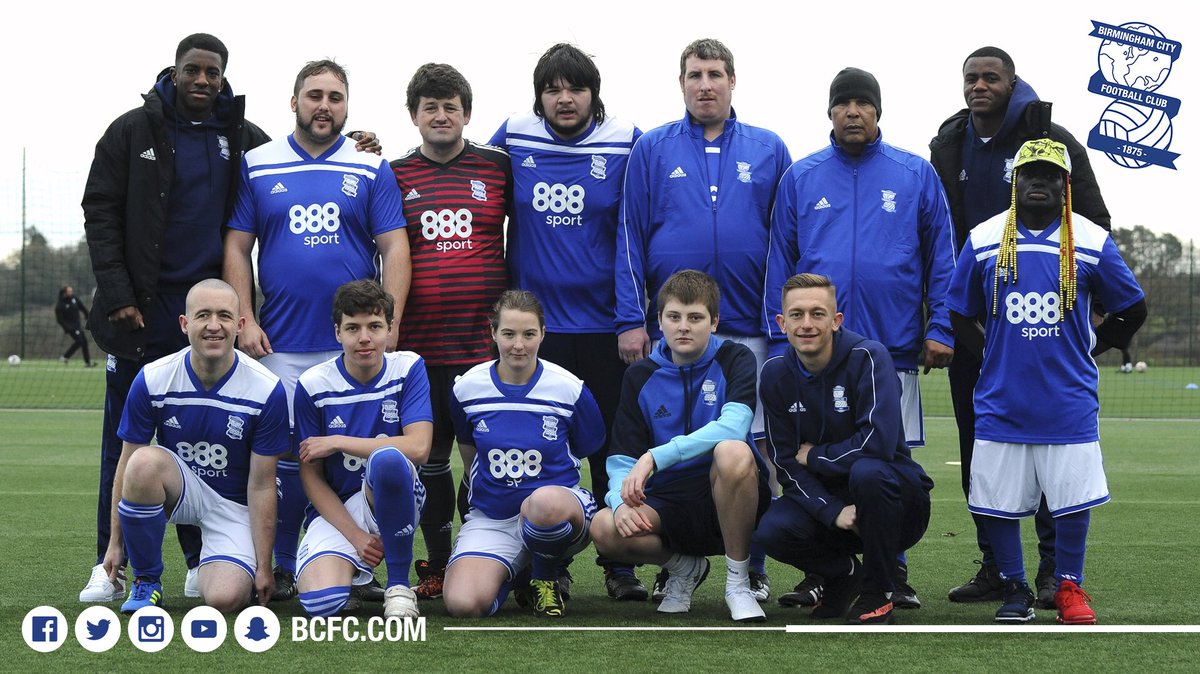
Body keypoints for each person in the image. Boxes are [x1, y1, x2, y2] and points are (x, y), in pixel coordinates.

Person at [81, 35, 379, 605]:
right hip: (143, 313)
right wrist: (119, 293)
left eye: (213, 72)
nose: (202, 80)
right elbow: (100, 210)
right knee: (127, 447)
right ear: (174, 71)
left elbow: (305, 155)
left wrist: (355, 146)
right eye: (193, 70)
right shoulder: (130, 131)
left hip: (210, 313)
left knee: (212, 442)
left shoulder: (238, 137)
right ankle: (109, 563)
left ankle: (202, 561)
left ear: (223, 77)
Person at [763, 66, 955, 609]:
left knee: (883, 465)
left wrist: (939, 325)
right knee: (806, 460)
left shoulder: (915, 173)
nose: (853, 111)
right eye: (843, 103)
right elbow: (780, 259)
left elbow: (942, 254)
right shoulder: (802, 177)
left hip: (891, 344)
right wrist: (781, 344)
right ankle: (821, 571)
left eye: (862, 103)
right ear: (829, 112)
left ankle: (890, 567)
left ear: (878, 112)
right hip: (812, 352)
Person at [928, 46, 1111, 608]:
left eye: (992, 78)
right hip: (976, 334)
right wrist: (950, 323)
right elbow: (939, 232)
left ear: (1012, 83)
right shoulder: (949, 143)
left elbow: (1094, 221)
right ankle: (997, 568)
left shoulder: (1050, 139)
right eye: (971, 78)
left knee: (1056, 455)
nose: (980, 86)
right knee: (982, 454)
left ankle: (1055, 573)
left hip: (1046, 338)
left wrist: (1087, 321)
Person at [223, 58, 408, 601]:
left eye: (334, 96)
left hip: (353, 348)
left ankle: (361, 563)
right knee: (286, 460)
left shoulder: (371, 165)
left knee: (357, 459)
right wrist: (244, 317)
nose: (324, 105)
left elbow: (395, 245)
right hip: (278, 343)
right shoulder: (258, 163)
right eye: (313, 95)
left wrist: (388, 321)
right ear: (294, 102)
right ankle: (278, 564)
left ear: (347, 105)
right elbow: (238, 245)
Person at [615, 37, 789, 601]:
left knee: (750, 448)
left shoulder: (768, 147)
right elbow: (630, 234)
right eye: (694, 75)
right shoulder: (654, 148)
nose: (705, 84)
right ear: (681, 82)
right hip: (675, 326)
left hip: (748, 328)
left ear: (733, 81)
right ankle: (683, 560)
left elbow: (786, 238)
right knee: (675, 433)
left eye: (715, 73)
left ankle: (752, 566)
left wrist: (779, 321)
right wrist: (631, 318)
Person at [947, 138, 1145, 624]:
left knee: (1073, 498)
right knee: (996, 499)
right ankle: (1015, 588)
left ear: (1065, 185)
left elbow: (1133, 308)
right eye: (1029, 174)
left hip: (1068, 400)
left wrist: (1089, 348)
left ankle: (1068, 588)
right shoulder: (985, 237)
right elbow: (957, 312)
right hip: (1001, 398)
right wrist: (992, 354)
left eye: (1050, 175)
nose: (1039, 182)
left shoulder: (1092, 241)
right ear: (1015, 182)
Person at [490, 42, 645, 601]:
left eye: (574, 87)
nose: (564, 98)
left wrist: (634, 316)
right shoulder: (513, 134)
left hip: (606, 326)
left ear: (592, 92)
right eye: (552, 88)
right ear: (539, 96)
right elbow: (461, 168)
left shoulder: (627, 140)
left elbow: (637, 229)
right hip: (535, 331)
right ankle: (541, 563)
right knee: (539, 445)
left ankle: (617, 560)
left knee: (609, 448)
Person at [390, 63, 510, 601]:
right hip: (420, 347)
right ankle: (437, 564)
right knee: (431, 459)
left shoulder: (499, 167)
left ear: (467, 112)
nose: (441, 116)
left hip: (484, 348)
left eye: (451, 106)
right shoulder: (391, 173)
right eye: (430, 107)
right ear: (414, 115)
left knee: (482, 455)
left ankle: (494, 555)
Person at [590, 270, 771, 623]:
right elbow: (621, 460)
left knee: (732, 451)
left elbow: (734, 426)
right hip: (669, 500)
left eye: (695, 318)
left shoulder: (736, 359)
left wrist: (656, 456)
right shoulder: (640, 375)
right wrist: (617, 503)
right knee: (604, 527)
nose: (683, 327)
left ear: (714, 322)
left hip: (730, 490)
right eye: (674, 317)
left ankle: (737, 584)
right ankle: (685, 568)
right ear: (659, 321)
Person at [101, 279, 289, 613]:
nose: (214, 326)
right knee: (143, 463)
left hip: (234, 505)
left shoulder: (266, 389)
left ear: (240, 325)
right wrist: (116, 544)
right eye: (203, 315)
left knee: (224, 598)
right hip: (182, 490)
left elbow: (262, 485)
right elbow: (126, 465)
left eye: (224, 316)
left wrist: (262, 566)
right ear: (185, 324)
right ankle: (147, 580)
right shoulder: (153, 378)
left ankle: (214, 562)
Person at [755, 273, 933, 625]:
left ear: (837, 321)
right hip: (833, 507)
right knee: (770, 530)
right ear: (781, 323)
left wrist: (817, 455)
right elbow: (787, 465)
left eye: (818, 314)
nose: (807, 324)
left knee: (868, 472)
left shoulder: (869, 357)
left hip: (895, 503)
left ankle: (879, 589)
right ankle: (843, 575)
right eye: (797, 314)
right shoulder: (774, 374)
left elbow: (878, 444)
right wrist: (832, 510)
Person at [442, 290, 605, 618]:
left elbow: (588, 449)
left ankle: (545, 579)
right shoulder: (467, 388)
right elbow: (470, 454)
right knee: (464, 605)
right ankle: (517, 575)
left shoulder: (569, 388)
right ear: (493, 333)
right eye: (509, 334)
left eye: (529, 334)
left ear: (543, 334)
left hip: (557, 514)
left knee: (543, 503)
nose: (519, 344)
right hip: (493, 520)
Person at [293, 280, 432, 619]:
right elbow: (310, 476)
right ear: (337, 332)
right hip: (340, 510)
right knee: (321, 604)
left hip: (394, 492)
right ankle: (356, 576)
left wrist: (338, 442)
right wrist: (356, 537)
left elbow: (418, 447)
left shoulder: (408, 368)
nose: (364, 338)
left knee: (386, 458)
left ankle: (398, 587)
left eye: (374, 326)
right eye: (352, 328)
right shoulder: (313, 384)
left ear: (389, 329)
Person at [56, 285, 95, 367]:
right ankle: (65, 356)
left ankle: (87, 363)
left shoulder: (74, 299)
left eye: (71, 291)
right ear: (64, 293)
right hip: (71, 327)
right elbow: (60, 320)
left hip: (77, 325)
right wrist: (67, 328)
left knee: (84, 342)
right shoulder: (60, 304)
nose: (71, 293)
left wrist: (87, 316)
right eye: (69, 291)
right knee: (80, 341)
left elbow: (82, 307)